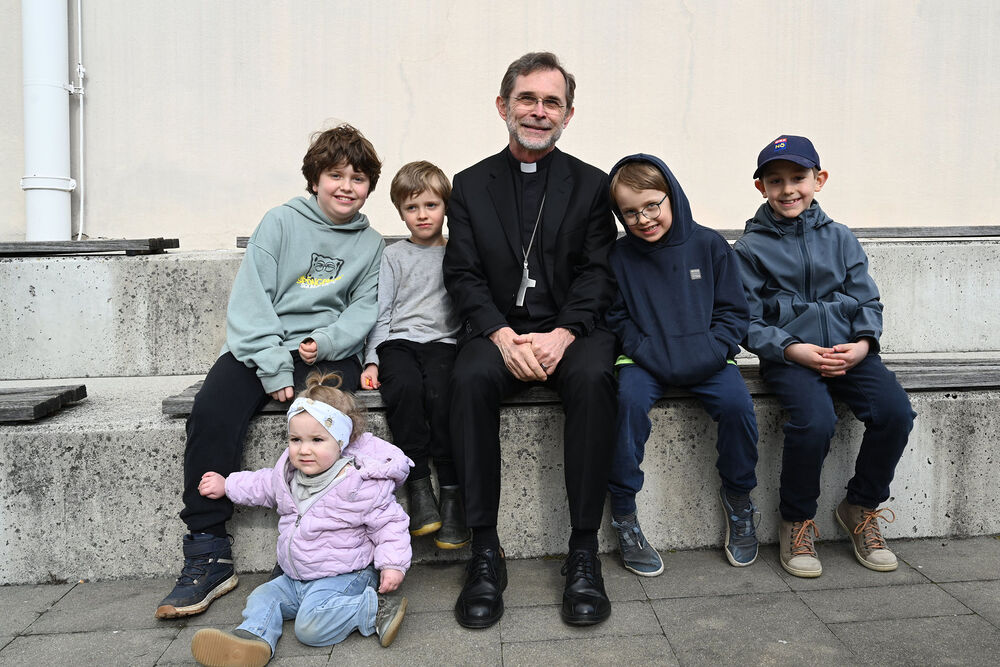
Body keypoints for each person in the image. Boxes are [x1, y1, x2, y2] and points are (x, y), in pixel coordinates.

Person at [156, 124, 385, 619]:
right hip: (261, 343)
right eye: (336, 175)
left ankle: (318, 546)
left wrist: (325, 342)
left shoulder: (370, 244)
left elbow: (363, 309)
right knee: (212, 409)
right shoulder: (279, 223)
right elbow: (251, 301)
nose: (346, 186)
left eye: (358, 178)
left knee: (321, 419)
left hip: (328, 352)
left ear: (370, 187)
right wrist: (274, 364)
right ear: (315, 179)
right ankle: (208, 549)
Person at [443, 52, 618, 628]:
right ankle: (484, 551)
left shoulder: (592, 185)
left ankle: (584, 550)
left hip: (572, 329)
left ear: (568, 114)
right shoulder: (470, 185)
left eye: (552, 102)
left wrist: (564, 334)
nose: (539, 112)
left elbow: (598, 272)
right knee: (468, 378)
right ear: (503, 106)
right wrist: (500, 334)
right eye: (528, 99)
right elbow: (462, 274)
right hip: (498, 329)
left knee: (594, 376)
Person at [733, 134, 915, 578]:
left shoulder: (841, 238)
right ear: (761, 187)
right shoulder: (750, 249)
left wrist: (863, 344)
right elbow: (746, 320)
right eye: (775, 181)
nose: (788, 189)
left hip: (849, 352)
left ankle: (860, 506)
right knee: (815, 421)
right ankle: (796, 520)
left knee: (895, 412)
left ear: (819, 179)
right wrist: (791, 348)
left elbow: (867, 300)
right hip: (791, 358)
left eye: (798, 177)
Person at [603, 154, 760, 576]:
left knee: (738, 407)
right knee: (626, 406)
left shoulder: (709, 246)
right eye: (630, 212)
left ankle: (739, 499)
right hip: (644, 360)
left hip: (709, 359)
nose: (643, 219)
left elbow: (733, 312)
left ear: (671, 196)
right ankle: (624, 513)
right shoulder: (618, 256)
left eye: (652, 205)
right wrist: (644, 348)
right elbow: (615, 315)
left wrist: (711, 348)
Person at [189, 372, 412, 667]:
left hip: (343, 575)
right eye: (296, 439)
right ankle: (252, 638)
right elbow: (260, 484)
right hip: (295, 578)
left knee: (310, 628)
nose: (304, 449)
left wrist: (392, 564)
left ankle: (374, 609)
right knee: (262, 596)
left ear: (341, 442)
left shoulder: (357, 483)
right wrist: (226, 484)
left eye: (317, 440)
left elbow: (390, 524)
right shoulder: (288, 476)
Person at [360, 161, 470, 549]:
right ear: (400, 212)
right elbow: (383, 312)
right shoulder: (394, 256)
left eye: (431, 205)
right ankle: (419, 485)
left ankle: (452, 492)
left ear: (446, 207)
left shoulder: (459, 253)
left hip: (444, 344)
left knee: (442, 394)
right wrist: (372, 359)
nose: (422, 215)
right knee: (404, 389)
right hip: (399, 343)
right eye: (412, 207)